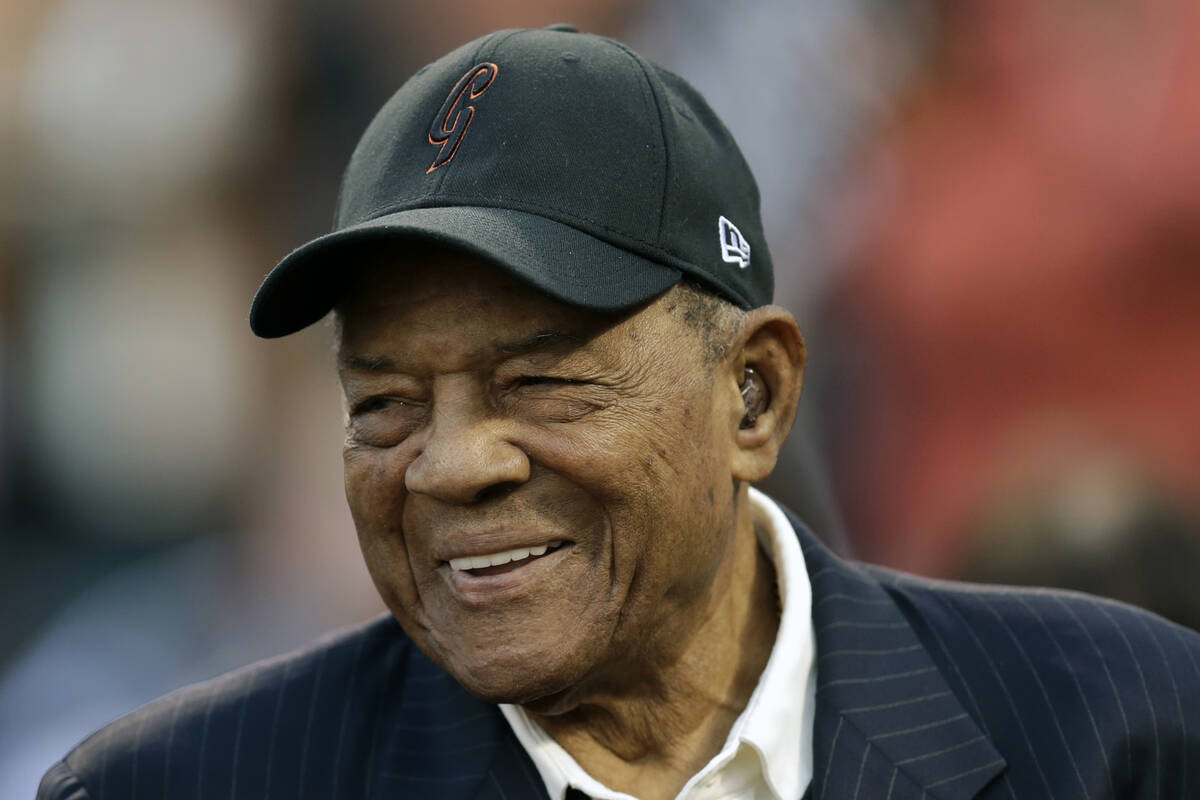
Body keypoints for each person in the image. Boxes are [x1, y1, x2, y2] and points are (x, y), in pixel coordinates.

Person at [38, 25, 1200, 800]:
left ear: (756, 393)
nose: (450, 463)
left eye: (538, 382)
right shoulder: (185, 786)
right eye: (384, 402)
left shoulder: (1119, 729)